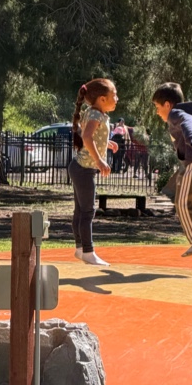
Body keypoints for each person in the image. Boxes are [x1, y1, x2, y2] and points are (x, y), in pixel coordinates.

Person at [152, 83, 192, 256]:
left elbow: (187, 123)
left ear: (167, 105)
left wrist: (191, 138)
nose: (157, 112)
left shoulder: (176, 113)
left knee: (182, 203)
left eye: (158, 107)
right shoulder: (186, 113)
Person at [69, 77, 119, 267]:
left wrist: (107, 143)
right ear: (102, 99)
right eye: (114, 95)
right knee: (87, 212)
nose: (117, 99)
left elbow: (93, 137)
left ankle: (80, 249)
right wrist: (99, 160)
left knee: (80, 211)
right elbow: (87, 137)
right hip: (84, 169)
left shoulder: (95, 113)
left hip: (79, 168)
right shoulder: (96, 114)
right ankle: (88, 252)